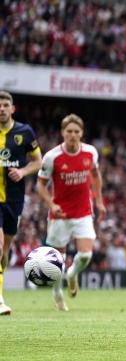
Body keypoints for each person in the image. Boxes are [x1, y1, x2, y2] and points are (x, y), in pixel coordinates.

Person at [36, 114, 106, 311]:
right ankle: (57, 294)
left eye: (76, 131)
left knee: (85, 255)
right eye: (69, 131)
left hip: (83, 212)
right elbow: (40, 185)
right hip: (60, 215)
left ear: (81, 133)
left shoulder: (90, 152)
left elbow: (95, 175)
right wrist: (51, 205)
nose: (73, 135)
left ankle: (73, 273)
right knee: (58, 260)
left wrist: (99, 201)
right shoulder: (52, 157)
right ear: (62, 133)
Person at [0, 91, 43, 316]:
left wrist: (23, 171)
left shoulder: (24, 132)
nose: (2, 109)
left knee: (4, 250)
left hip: (14, 200)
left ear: (12, 108)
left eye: (5, 105)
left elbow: (38, 161)